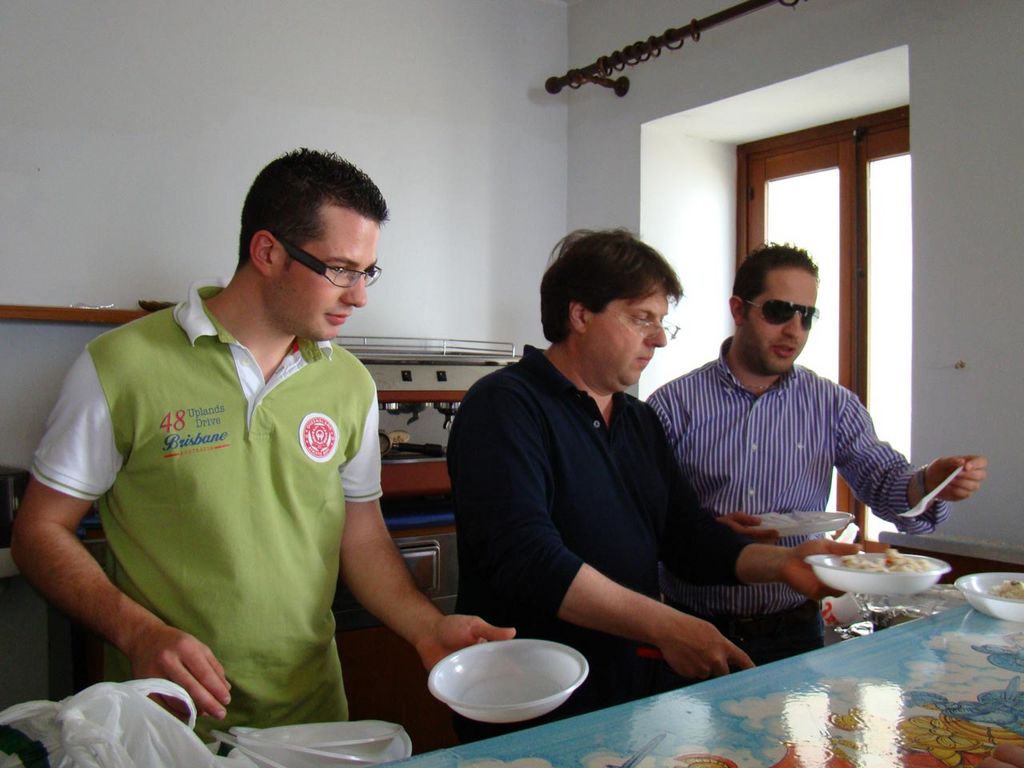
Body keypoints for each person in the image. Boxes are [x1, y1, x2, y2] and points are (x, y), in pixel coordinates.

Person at [10, 148, 513, 739]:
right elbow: (39, 531)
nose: (359, 296)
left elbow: (362, 536)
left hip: (312, 720)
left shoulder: (349, 382)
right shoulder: (121, 366)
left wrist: (427, 628)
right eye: (341, 270)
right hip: (168, 725)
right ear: (268, 252)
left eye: (367, 272)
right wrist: (137, 631)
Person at [446, 228, 858, 741]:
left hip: (624, 696)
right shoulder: (506, 404)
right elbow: (527, 557)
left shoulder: (638, 421)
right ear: (580, 314)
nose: (659, 338)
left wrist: (786, 565)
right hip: (528, 699)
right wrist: (667, 624)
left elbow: (687, 539)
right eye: (642, 318)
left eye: (662, 322)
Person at [647, 242, 987, 665]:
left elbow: (884, 482)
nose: (794, 330)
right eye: (779, 311)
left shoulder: (832, 405)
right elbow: (644, 516)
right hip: (694, 627)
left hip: (792, 631)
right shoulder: (673, 405)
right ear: (739, 310)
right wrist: (705, 531)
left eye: (806, 316)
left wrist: (930, 483)